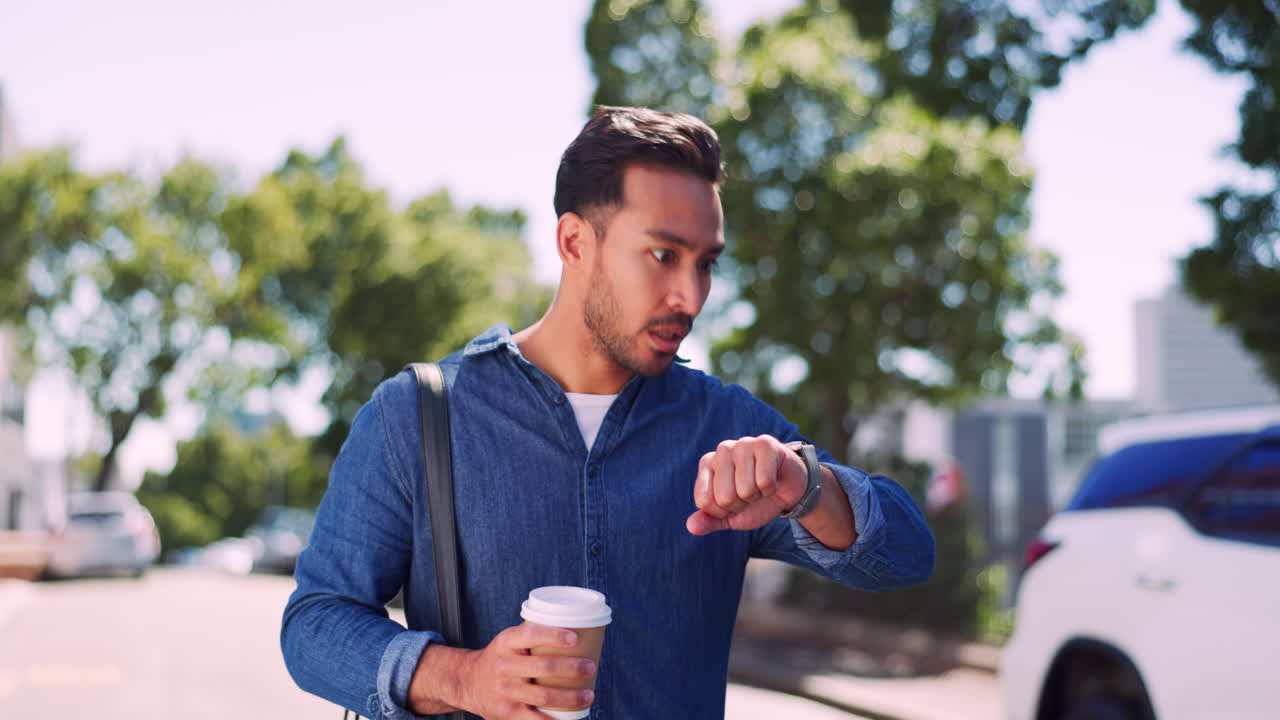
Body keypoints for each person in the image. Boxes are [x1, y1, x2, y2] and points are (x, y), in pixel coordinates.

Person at [281, 106, 935, 720]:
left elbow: (907, 556)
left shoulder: (728, 427)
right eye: (662, 255)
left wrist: (806, 486)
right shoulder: (419, 415)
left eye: (706, 264)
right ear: (574, 241)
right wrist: (464, 677)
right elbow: (314, 624)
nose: (691, 295)